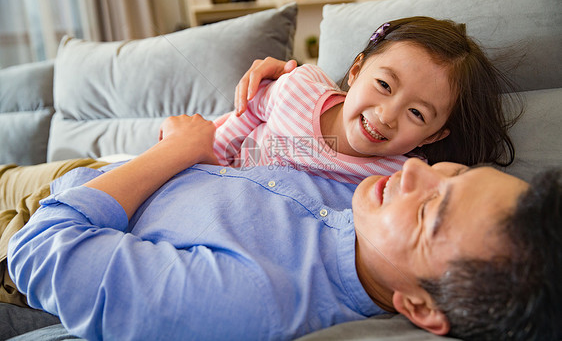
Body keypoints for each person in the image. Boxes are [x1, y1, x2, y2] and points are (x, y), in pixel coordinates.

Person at [6, 115, 562, 341]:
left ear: (419, 308)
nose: (414, 170)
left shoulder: (251, 299)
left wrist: (178, 150)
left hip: (34, 216)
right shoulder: (366, 203)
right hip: (93, 169)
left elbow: (41, 251)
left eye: (427, 213)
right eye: (453, 173)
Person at [214, 17, 517, 184]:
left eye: (416, 113)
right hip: (219, 176)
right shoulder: (298, 89)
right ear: (356, 71)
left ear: (433, 136)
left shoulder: (402, 174)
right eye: (384, 84)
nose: (387, 115)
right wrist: (207, 160)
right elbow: (243, 115)